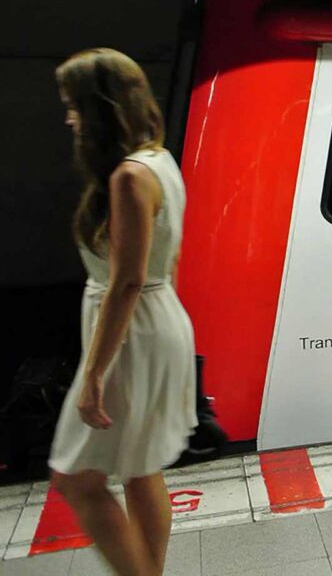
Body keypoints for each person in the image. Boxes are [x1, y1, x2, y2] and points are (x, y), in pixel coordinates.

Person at [49, 49, 198, 576]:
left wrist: (92, 373)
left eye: (73, 107)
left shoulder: (127, 179)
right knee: (141, 467)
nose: (68, 119)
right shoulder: (158, 159)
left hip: (132, 332)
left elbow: (127, 281)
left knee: (78, 480)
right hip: (157, 320)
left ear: (100, 111)